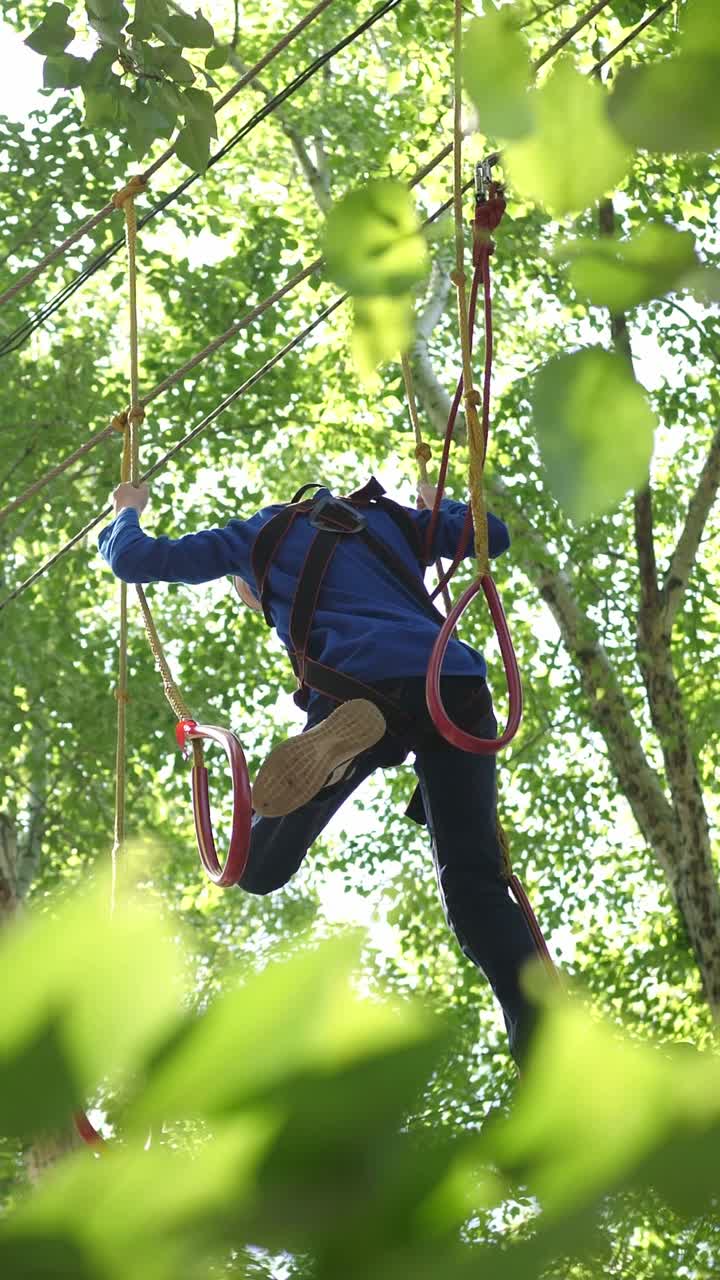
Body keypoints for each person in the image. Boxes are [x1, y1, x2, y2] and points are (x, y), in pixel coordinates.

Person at [99, 476, 540, 1065]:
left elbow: (134, 560)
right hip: (453, 685)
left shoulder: (254, 537)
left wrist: (125, 511)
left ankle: (339, 753)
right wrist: (437, 505)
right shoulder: (389, 519)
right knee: (473, 886)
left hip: (361, 684)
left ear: (247, 585)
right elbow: (494, 536)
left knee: (255, 868)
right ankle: (541, 1040)